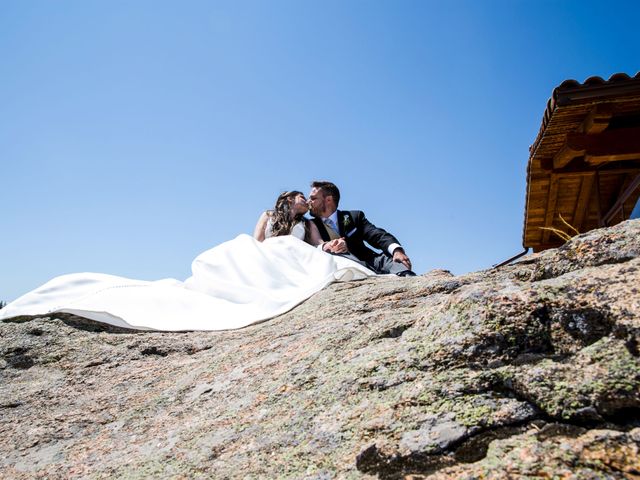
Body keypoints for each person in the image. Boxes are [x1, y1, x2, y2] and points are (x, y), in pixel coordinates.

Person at [308, 181, 416, 276]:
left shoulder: (354, 217)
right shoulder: (311, 226)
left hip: (370, 261)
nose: (308, 202)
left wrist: (397, 251)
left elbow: (377, 235)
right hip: (342, 270)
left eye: (313, 198)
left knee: (398, 265)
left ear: (328, 200)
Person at [253, 190, 323, 245]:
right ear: (290, 199)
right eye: (302, 197)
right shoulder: (268, 215)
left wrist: (328, 245)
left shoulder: (308, 224)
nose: (308, 202)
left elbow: (319, 244)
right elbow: (257, 241)